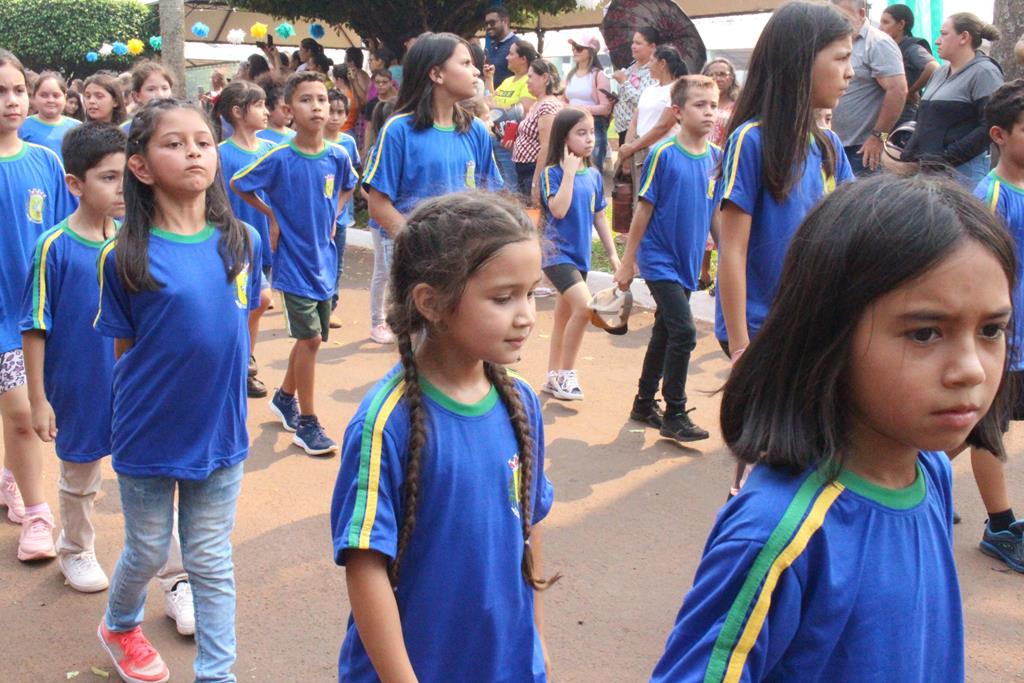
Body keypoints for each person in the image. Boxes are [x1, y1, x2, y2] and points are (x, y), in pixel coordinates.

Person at [654, 172, 1012, 681]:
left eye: (991, 330)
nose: (972, 369)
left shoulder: (930, 471)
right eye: (926, 332)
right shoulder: (777, 532)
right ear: (829, 332)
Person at [331, 191, 557, 682]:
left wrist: (535, 642)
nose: (526, 315)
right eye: (502, 298)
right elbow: (365, 566)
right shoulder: (386, 422)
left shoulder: (521, 403)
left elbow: (530, 523)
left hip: (503, 664)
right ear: (431, 303)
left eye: (531, 293)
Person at [94, 99, 262, 683]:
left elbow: (241, 326)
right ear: (140, 167)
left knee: (211, 558)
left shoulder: (242, 241)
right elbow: (124, 354)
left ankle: (217, 674)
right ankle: (119, 623)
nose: (193, 151)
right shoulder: (123, 256)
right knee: (145, 549)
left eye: (203, 141)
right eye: (174, 143)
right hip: (147, 433)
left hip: (220, 431)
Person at [715, 2, 854, 496]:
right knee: (765, 463)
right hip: (762, 331)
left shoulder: (830, 147)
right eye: (840, 57)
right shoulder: (751, 141)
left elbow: (855, 226)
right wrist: (740, 349)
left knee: (810, 460)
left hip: (818, 329)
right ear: (801, 60)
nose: (850, 71)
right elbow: (731, 249)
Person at [232, 72, 357, 456]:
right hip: (293, 263)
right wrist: (272, 216)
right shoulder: (279, 158)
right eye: (306, 100)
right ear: (288, 110)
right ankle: (308, 421)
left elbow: (350, 184)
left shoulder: (338, 155)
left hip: (325, 260)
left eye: (321, 99)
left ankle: (286, 397)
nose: (317, 106)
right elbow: (240, 183)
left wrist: (334, 213)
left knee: (311, 338)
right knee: (311, 339)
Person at [19, 122, 122, 592]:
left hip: (130, 385)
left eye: (127, 176)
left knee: (152, 477)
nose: (122, 188)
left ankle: (172, 572)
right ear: (74, 184)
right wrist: (39, 399)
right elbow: (35, 326)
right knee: (80, 477)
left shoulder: (130, 240)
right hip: (78, 386)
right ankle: (75, 550)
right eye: (107, 177)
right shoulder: (53, 247)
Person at [613, 76, 720, 441]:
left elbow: (716, 213)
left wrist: (728, 259)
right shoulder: (664, 154)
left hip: (688, 261)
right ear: (678, 112)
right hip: (659, 260)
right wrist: (629, 262)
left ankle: (644, 402)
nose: (709, 112)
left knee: (664, 331)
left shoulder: (716, 157)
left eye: (712, 105)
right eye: (699, 105)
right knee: (685, 332)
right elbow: (643, 210)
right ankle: (675, 411)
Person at [0, 49, 75, 562]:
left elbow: (66, 233)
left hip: (26, 315)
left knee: (25, 416)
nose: (11, 101)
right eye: (0, 92)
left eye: (17, 91)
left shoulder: (45, 161)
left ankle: (36, 513)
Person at [364, 32, 502, 241]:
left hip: (464, 255)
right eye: (465, 64)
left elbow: (491, 195)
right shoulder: (398, 130)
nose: (475, 72)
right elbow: (378, 205)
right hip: (414, 256)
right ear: (437, 74)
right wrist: (418, 245)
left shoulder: (477, 130)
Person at [967, 79, 1024, 573]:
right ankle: (1000, 525)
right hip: (1009, 342)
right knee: (985, 430)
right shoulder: (992, 194)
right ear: (1000, 135)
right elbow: (977, 271)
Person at [538, 107, 618, 401]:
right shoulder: (552, 173)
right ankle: (567, 375)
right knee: (585, 308)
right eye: (580, 133)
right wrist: (569, 173)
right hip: (556, 254)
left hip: (581, 256)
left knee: (563, 319)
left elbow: (599, 217)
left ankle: (551, 376)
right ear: (564, 137)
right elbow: (557, 210)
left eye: (591, 133)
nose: (589, 140)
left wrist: (612, 256)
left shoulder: (595, 176)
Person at [215, 81, 275, 400]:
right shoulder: (221, 155)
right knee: (257, 301)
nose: (267, 111)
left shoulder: (270, 150)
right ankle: (239, 363)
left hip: (265, 243)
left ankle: (244, 362)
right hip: (234, 246)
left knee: (255, 303)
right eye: (260, 104)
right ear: (238, 112)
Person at [902, 13, 1004, 187]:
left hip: (963, 174)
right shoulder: (940, 72)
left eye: (944, 33)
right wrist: (909, 152)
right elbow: (923, 119)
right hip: (929, 171)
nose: (937, 41)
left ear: (964, 37)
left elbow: (990, 126)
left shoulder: (984, 72)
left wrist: (947, 156)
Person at [829, 0, 907, 176]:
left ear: (861, 14)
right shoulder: (837, 42)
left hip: (863, 150)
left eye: (843, 17)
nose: (838, 23)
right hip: (835, 145)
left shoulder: (878, 43)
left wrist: (879, 137)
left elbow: (898, 90)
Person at [618, 45, 688, 205]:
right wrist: (628, 151)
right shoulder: (649, 90)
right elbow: (634, 122)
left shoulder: (677, 90)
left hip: (662, 154)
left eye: (651, 61)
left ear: (662, 63)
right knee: (640, 200)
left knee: (659, 201)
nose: (648, 65)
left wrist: (632, 147)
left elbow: (663, 126)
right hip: (640, 153)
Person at [324, 88, 361, 328]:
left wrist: (339, 207)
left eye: (340, 112)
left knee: (336, 261)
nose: (335, 117)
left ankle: (330, 307)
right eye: (332, 111)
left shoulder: (348, 142)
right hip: (313, 215)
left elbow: (353, 177)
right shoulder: (310, 142)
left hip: (339, 215)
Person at [362, 99, 398, 345]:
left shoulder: (398, 147)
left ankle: (392, 320)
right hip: (381, 225)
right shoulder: (379, 149)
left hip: (395, 219)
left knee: (392, 273)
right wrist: (383, 205)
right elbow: (366, 189)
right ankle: (378, 321)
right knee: (383, 273)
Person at [485, 39, 540, 186]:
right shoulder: (508, 81)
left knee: (511, 185)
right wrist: (489, 79)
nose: (506, 57)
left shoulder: (528, 82)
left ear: (523, 59)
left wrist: (493, 107)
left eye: (511, 54)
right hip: (496, 138)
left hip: (511, 142)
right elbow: (488, 100)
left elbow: (522, 111)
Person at [511, 59, 563, 203]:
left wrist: (536, 182)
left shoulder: (548, 107)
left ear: (545, 78)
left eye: (530, 77)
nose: (527, 81)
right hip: (525, 170)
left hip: (532, 170)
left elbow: (546, 146)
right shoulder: (537, 103)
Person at [879, 4, 939, 125]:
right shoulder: (887, 47)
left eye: (886, 22)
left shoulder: (911, 47)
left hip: (904, 116)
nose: (880, 27)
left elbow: (933, 68)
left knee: (895, 141)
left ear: (901, 24)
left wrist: (910, 92)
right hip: (886, 113)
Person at [565, 34, 613, 174]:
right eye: (574, 48)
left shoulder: (599, 75)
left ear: (590, 52)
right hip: (570, 124)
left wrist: (580, 109)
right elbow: (564, 98)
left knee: (592, 169)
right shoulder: (570, 75)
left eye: (579, 48)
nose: (575, 51)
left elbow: (605, 108)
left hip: (593, 125)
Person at [612, 27, 659, 147]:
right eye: (633, 42)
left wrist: (623, 81)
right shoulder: (630, 67)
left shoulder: (654, 71)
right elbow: (627, 95)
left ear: (652, 47)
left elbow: (642, 101)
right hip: (622, 128)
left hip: (639, 131)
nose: (633, 46)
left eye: (638, 43)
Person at [19, 71, 80, 160]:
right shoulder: (22, 126)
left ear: (65, 97)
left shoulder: (77, 128)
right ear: (34, 97)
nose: (50, 100)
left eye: (56, 96)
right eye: (44, 95)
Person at [121, 61, 174, 134]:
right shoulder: (126, 130)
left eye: (165, 88)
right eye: (151, 89)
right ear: (136, 96)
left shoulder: (184, 124)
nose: (160, 95)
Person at [702, 58, 740, 146]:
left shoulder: (739, 107)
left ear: (731, 79)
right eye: (711, 74)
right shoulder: (696, 104)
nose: (717, 79)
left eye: (722, 74)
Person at [255, 73, 295, 146]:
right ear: (268, 109)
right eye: (284, 108)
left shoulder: (295, 135)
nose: (290, 112)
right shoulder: (258, 139)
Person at [484, 5, 518, 85]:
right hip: (491, 96)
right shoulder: (490, 48)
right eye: (486, 24)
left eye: (492, 23)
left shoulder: (518, 45)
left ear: (505, 21)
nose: (488, 27)